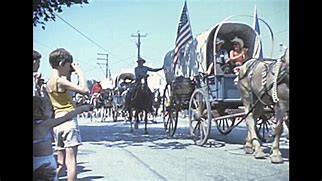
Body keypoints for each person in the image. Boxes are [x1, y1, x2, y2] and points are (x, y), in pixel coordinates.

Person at [46, 48, 90, 181]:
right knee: (71, 162)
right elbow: (84, 90)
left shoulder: (49, 83)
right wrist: (80, 72)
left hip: (57, 122)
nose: (69, 67)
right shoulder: (60, 81)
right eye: (68, 65)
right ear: (61, 63)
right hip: (69, 121)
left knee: (61, 162)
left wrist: (70, 73)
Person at [33, 96, 92, 181]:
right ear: (40, 111)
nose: (52, 112)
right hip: (46, 162)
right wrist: (81, 109)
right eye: (49, 109)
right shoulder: (45, 124)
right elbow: (66, 117)